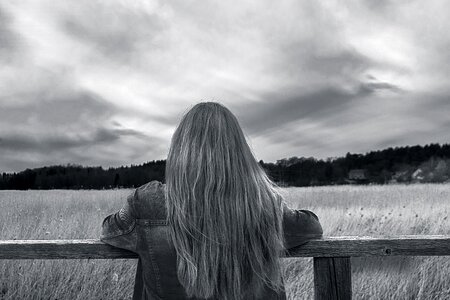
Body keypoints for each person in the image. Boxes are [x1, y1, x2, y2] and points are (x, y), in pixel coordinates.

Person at [101, 102, 323, 300]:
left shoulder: (148, 202)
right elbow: (312, 227)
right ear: (239, 152)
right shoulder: (263, 203)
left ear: (180, 151)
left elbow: (110, 230)